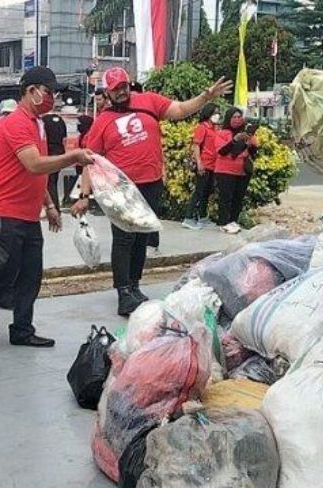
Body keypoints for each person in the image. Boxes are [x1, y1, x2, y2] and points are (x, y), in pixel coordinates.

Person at [71, 67, 232, 316]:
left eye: (124, 86)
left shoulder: (149, 101)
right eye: (116, 89)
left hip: (151, 183)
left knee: (142, 237)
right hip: (121, 189)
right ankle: (123, 291)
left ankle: (134, 285)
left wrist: (205, 97)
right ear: (108, 92)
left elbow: (180, 110)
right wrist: (83, 196)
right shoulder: (102, 121)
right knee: (124, 239)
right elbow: (90, 161)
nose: (122, 92)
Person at [0, 66, 93, 347]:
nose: (53, 98)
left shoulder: (38, 123)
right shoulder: (17, 123)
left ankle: (22, 328)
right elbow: (33, 164)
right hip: (3, 210)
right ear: (31, 91)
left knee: (31, 274)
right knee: (3, 270)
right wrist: (74, 157)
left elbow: (39, 172)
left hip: (26, 213)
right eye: (49, 92)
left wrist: (49, 205)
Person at [214, 107, 258, 235]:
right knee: (225, 198)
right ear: (228, 118)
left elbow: (254, 153)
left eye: (239, 117)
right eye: (234, 117)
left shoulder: (246, 135)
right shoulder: (222, 133)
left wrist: (251, 143)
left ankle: (233, 221)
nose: (237, 120)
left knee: (238, 198)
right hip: (225, 170)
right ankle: (223, 222)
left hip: (242, 171)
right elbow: (222, 151)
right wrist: (235, 140)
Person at [182, 103, 221, 230]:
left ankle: (202, 216)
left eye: (218, 112)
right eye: (215, 112)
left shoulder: (215, 128)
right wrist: (199, 163)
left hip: (213, 165)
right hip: (204, 163)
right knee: (199, 191)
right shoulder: (202, 127)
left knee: (206, 192)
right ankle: (188, 217)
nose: (217, 115)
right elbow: (196, 145)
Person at [42, 111, 69, 211]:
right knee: (54, 180)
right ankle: (54, 206)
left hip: (48, 154)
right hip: (59, 153)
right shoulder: (61, 120)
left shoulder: (44, 121)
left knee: (49, 182)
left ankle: (53, 207)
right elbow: (65, 139)